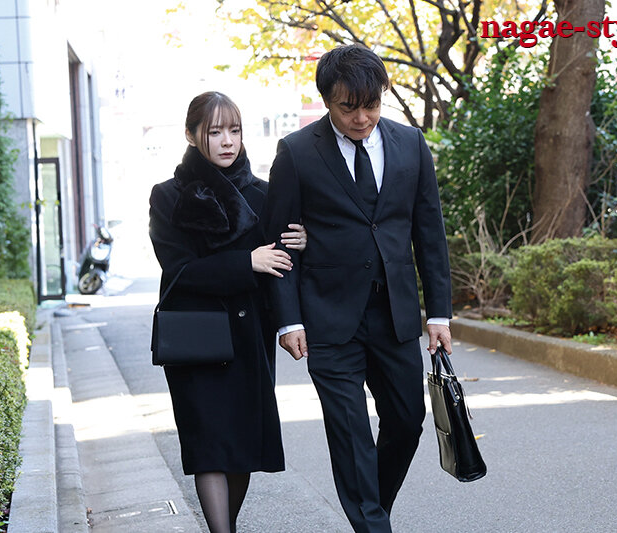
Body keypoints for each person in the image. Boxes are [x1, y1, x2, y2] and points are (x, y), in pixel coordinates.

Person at [262, 45, 453, 533]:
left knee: (407, 421)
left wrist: (439, 314)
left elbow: (429, 233)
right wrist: (289, 319)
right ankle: (373, 526)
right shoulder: (297, 152)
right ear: (327, 99)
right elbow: (280, 242)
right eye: (349, 107)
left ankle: (372, 512)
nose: (362, 118)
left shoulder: (410, 143)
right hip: (327, 317)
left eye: (372, 105)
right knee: (350, 433)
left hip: (395, 314)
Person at [148, 91, 307, 533]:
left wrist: (304, 244)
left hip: (248, 338)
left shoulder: (264, 194)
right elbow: (179, 271)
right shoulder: (168, 196)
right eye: (215, 131)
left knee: (241, 450)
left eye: (234, 130)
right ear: (191, 134)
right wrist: (245, 262)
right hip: (196, 339)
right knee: (208, 448)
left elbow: (285, 263)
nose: (227, 141)